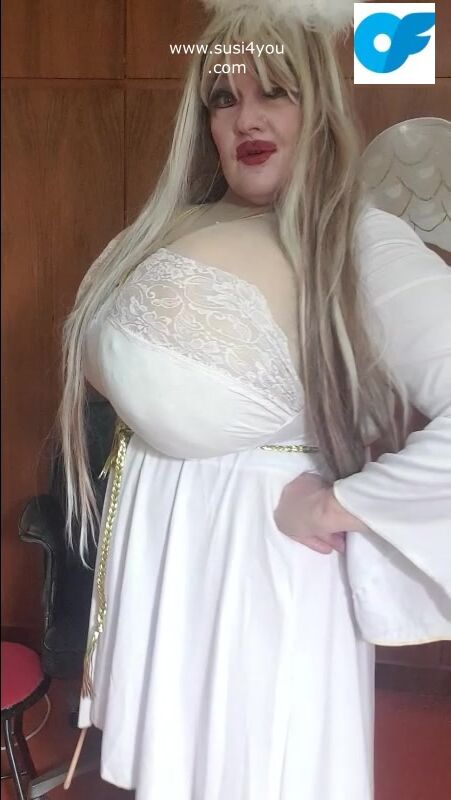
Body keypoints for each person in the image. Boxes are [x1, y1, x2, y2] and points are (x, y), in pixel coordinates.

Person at [59, 1, 451, 797]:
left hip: (265, 567)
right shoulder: (180, 221)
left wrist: (340, 505)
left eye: (275, 91)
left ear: (320, 105)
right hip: (172, 561)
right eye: (223, 97)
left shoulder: (358, 240)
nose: (246, 118)